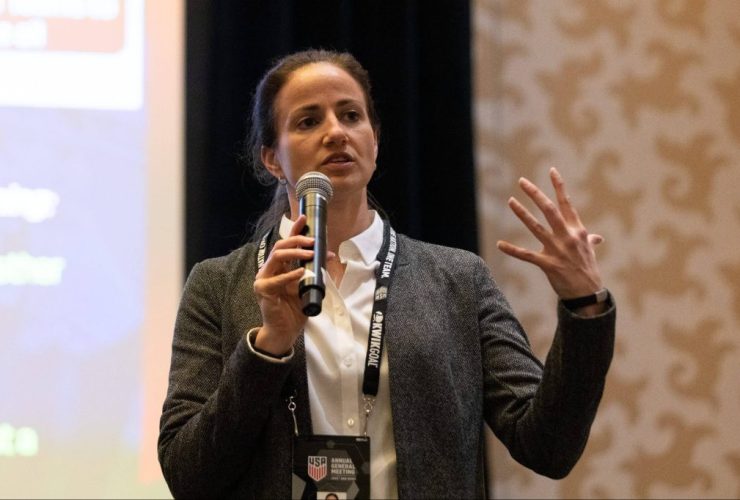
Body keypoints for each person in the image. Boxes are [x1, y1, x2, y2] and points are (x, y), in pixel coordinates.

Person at [157, 49, 615, 499]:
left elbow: (548, 447)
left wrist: (584, 305)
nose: (336, 132)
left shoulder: (458, 280)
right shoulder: (218, 286)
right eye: (308, 121)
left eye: (351, 116)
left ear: (374, 140)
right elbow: (188, 474)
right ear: (273, 159)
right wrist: (267, 347)